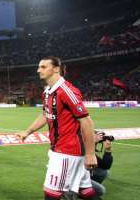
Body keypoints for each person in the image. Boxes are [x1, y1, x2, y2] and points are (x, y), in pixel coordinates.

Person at [16, 56, 99, 200]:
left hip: (67, 152)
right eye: (39, 67)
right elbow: (45, 115)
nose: (38, 70)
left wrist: (90, 154)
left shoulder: (66, 91)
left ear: (55, 69)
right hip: (60, 149)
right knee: (86, 193)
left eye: (43, 67)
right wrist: (27, 131)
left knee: (51, 195)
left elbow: (87, 122)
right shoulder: (47, 91)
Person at [91, 131, 113, 197]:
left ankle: (87, 188)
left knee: (104, 172)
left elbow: (105, 166)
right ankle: (72, 191)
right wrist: (93, 143)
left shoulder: (89, 149)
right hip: (73, 177)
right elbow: (85, 153)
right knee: (101, 190)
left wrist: (108, 149)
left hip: (83, 174)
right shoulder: (79, 145)